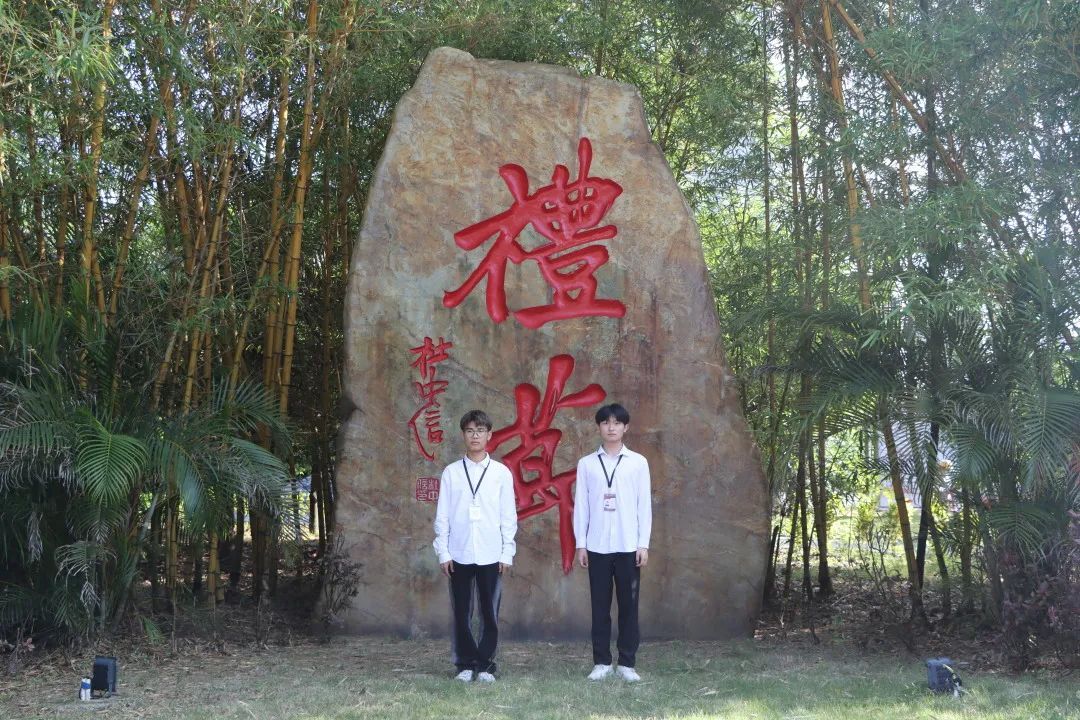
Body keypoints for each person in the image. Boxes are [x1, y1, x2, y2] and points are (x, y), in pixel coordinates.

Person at [433, 410, 517, 682]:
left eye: (480, 430)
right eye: (470, 431)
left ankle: (486, 665)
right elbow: (443, 515)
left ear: (489, 435)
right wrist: (443, 551)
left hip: (491, 553)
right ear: (463, 435)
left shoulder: (501, 473)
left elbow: (508, 515)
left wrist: (507, 551)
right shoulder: (452, 472)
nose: (475, 436)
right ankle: (465, 664)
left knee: (489, 612)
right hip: (459, 552)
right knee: (462, 612)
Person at [572, 403, 652, 682]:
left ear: (625, 427)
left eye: (617, 423)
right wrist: (581, 543)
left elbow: (644, 505)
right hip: (597, 546)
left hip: (629, 545)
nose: (611, 427)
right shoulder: (587, 464)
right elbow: (581, 505)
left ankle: (627, 663)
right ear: (599, 427)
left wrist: (643, 543)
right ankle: (602, 662)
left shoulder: (638, 462)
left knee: (629, 606)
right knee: (600, 607)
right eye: (606, 422)